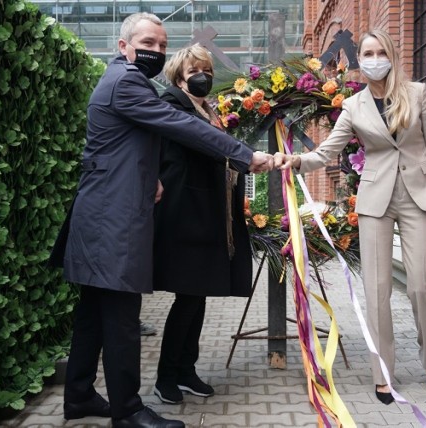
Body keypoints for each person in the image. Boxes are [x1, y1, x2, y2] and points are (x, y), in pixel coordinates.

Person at [52, 13, 272, 428]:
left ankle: (79, 396)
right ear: (124, 46)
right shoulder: (127, 82)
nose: (156, 51)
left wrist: (148, 174)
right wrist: (246, 155)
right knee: (120, 319)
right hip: (112, 222)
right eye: (147, 43)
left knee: (92, 316)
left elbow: (124, 144)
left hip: (101, 214)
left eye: (161, 44)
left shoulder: (120, 81)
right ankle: (128, 411)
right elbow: (177, 123)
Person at [274, 29, 426, 405]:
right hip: (375, 200)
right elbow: (326, 152)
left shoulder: (416, 93)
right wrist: (297, 160)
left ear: (390, 54)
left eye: (379, 52)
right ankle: (382, 371)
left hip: (419, 197)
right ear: (361, 60)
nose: (373, 58)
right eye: (366, 53)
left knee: (421, 284)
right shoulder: (353, 105)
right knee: (377, 291)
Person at [152, 44, 253, 404]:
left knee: (198, 294)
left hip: (209, 209)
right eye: (196, 69)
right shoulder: (171, 105)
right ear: (179, 74)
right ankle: (166, 375)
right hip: (186, 210)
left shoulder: (205, 108)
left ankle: (185, 369)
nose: (203, 76)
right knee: (188, 294)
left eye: (208, 70)